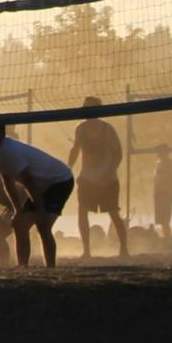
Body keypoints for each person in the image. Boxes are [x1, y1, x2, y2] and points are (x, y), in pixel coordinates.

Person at [0, 121, 76, 267]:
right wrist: (18, 210)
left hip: (59, 180)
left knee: (43, 225)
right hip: (42, 184)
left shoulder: (9, 150)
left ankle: (50, 268)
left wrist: (40, 208)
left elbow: (29, 182)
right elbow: (8, 181)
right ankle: (22, 267)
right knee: (20, 224)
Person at [66, 104, 123, 258]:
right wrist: (68, 168)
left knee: (114, 213)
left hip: (108, 178)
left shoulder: (107, 129)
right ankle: (87, 251)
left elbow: (118, 153)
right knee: (82, 213)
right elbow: (75, 150)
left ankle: (124, 249)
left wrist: (109, 172)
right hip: (87, 178)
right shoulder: (81, 128)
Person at [148, 142, 172, 241]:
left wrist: (165, 191)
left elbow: (170, 179)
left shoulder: (170, 163)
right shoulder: (159, 163)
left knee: (165, 219)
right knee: (161, 220)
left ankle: (168, 238)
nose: (157, 152)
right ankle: (167, 238)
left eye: (159, 150)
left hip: (166, 193)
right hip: (159, 193)